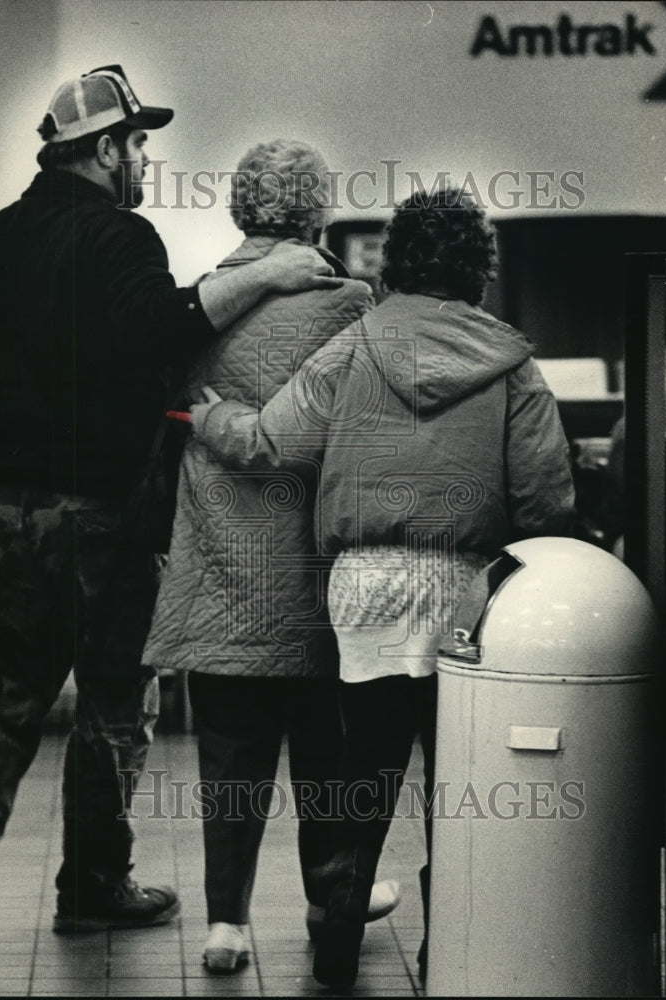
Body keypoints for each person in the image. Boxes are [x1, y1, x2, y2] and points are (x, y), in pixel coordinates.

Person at [0, 65, 339, 950]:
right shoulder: (119, 237)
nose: (145, 159)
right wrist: (274, 275)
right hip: (97, 516)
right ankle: (95, 883)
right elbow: (163, 326)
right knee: (114, 701)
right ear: (104, 150)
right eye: (138, 142)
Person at [188, 185, 576, 987]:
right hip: (468, 591)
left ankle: (336, 935)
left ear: (394, 261)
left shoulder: (354, 346)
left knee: (364, 770)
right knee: (453, 780)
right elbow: (546, 499)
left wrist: (211, 416)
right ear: (479, 268)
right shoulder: (511, 361)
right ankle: (447, 949)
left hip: (363, 587)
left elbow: (271, 442)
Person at [142, 139, 400, 973]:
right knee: (325, 746)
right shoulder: (354, 305)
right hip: (317, 569)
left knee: (228, 754)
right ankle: (331, 898)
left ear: (237, 212)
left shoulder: (202, 309)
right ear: (318, 212)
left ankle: (226, 922)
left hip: (219, 565)